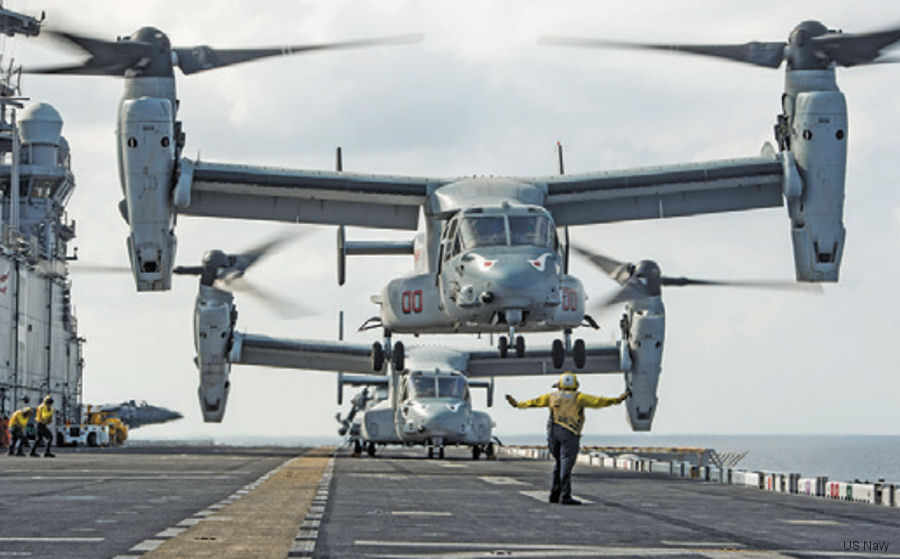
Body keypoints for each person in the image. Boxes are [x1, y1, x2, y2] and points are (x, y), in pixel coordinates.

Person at [506, 373, 629, 505]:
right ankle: (565, 495)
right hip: (569, 433)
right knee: (566, 464)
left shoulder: (552, 396)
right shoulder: (579, 397)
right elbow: (598, 401)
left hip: (553, 432)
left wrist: (517, 404)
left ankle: (554, 494)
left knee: (559, 463)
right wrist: (617, 400)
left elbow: (533, 402)